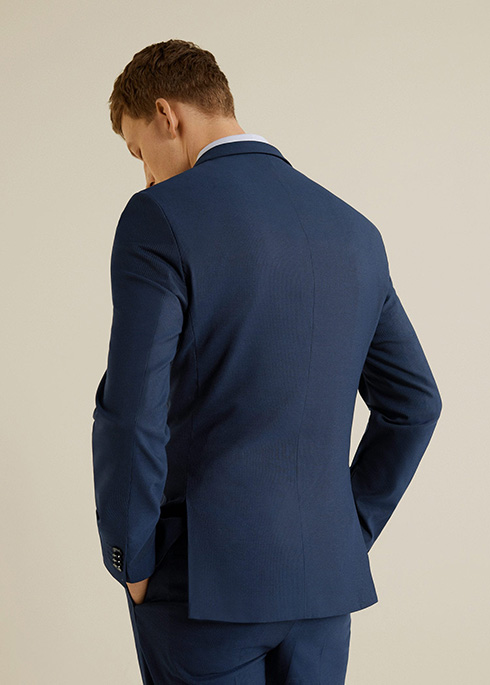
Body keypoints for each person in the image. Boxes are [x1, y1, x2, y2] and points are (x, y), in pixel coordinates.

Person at [91, 39, 442, 684]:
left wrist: (130, 558)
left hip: (200, 587)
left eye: (140, 153)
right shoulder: (354, 230)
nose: (145, 177)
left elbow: (133, 410)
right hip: (323, 589)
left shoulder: (159, 217)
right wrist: (349, 526)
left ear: (168, 115)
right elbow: (415, 405)